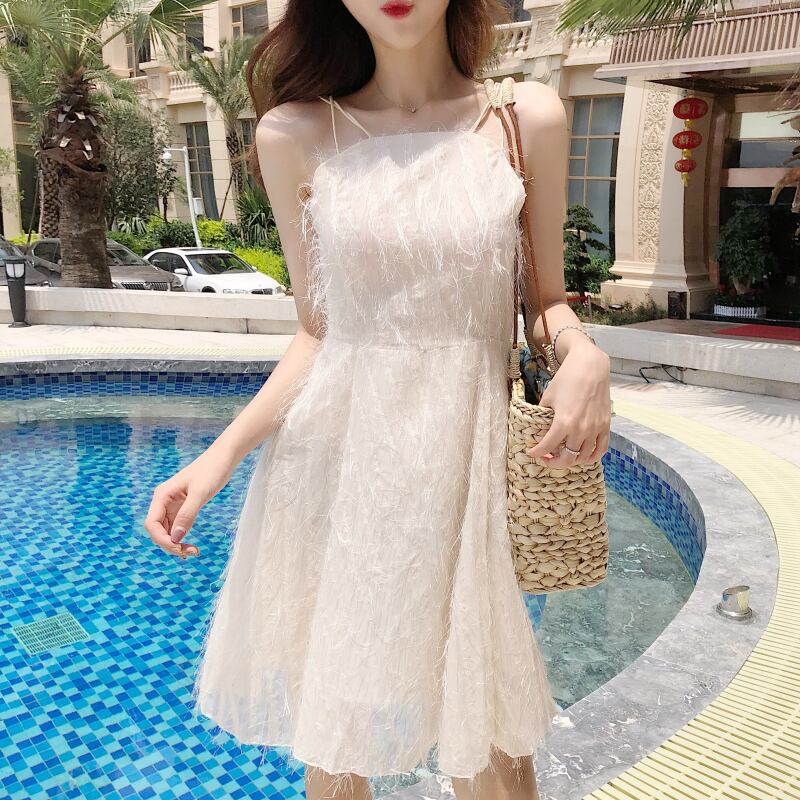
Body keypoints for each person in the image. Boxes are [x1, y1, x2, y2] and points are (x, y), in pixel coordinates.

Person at [145, 1, 612, 798]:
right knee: (337, 737)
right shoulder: (294, 133)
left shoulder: (521, 116)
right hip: (340, 462)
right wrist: (217, 458)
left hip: (465, 459)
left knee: (490, 739)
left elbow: (544, 302)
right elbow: (318, 333)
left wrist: (585, 352)